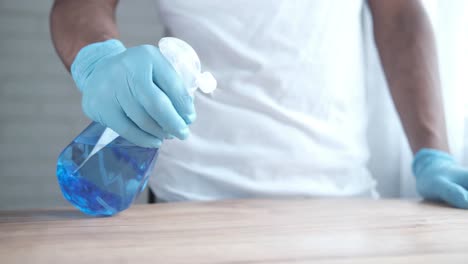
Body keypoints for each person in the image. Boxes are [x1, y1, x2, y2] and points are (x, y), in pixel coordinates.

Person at [50, 0, 468, 208]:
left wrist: (432, 153)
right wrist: (98, 60)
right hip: (187, 201)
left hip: (341, 197)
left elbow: (399, 14)